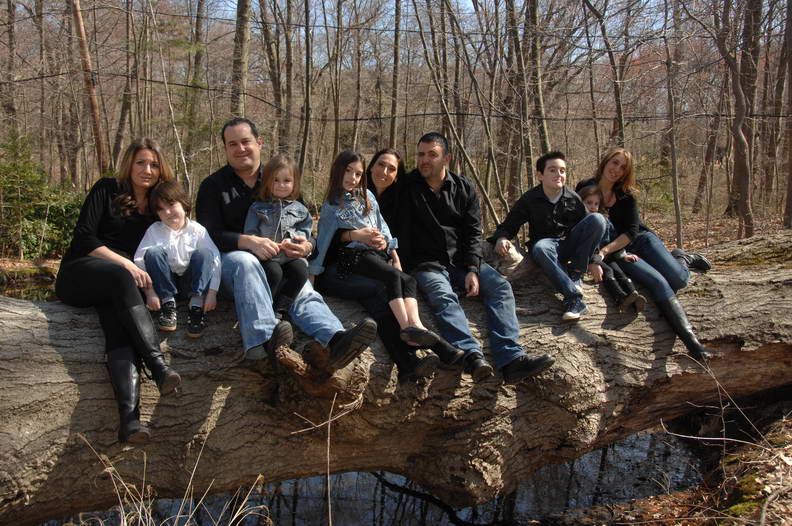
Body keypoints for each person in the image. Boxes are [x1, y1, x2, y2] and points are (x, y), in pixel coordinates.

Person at [195, 117, 376, 370]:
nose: (240, 149)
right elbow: (207, 235)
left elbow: (304, 225)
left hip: (279, 261)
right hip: (230, 265)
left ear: (259, 142)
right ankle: (265, 341)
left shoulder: (281, 175)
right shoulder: (213, 186)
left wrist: (307, 246)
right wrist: (248, 242)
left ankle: (336, 339)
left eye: (246, 141)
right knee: (246, 262)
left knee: (302, 287)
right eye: (232, 144)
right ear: (225, 148)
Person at [396, 132, 556, 384]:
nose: (424, 160)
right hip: (426, 263)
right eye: (421, 154)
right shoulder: (406, 187)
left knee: (501, 287)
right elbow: (398, 230)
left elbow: (473, 233)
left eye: (432, 154)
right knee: (443, 297)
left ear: (447, 158)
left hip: (461, 260)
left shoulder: (463, 188)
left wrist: (472, 268)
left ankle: (511, 360)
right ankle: (472, 357)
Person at [55, 139, 182, 444]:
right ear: (129, 164)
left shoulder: (159, 206)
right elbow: (84, 237)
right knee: (119, 275)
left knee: (119, 329)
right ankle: (158, 366)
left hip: (121, 286)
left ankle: (130, 422)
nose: (147, 170)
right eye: (141, 162)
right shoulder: (107, 189)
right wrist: (124, 263)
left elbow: (175, 243)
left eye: (154, 164)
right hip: (80, 273)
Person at [576, 147, 713, 361]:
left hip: (641, 240)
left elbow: (631, 232)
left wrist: (603, 251)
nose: (616, 169)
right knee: (659, 283)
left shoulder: (626, 195)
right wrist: (597, 255)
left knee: (679, 280)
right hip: (621, 253)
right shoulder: (585, 187)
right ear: (606, 162)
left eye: (623, 167)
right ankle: (694, 345)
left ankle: (682, 258)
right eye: (614, 163)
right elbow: (578, 222)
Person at [311, 150, 446, 348]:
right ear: (338, 170)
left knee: (408, 280)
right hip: (353, 256)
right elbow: (323, 243)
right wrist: (312, 280)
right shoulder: (331, 205)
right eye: (348, 171)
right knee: (390, 279)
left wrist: (391, 250)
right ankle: (406, 328)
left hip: (376, 255)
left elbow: (383, 227)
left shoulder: (368, 196)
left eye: (358, 174)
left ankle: (416, 326)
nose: (353, 177)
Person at [490, 151, 607, 321]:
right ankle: (574, 299)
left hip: (569, 246)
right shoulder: (530, 199)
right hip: (544, 251)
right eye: (552, 170)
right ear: (540, 175)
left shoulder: (573, 198)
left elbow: (588, 232)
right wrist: (501, 238)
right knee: (541, 247)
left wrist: (594, 260)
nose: (559, 174)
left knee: (598, 219)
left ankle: (575, 274)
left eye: (562, 171)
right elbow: (509, 225)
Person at [133, 180, 221, 338]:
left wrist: (212, 293)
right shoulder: (154, 231)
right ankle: (168, 306)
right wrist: (150, 292)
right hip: (164, 285)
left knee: (205, 253)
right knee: (153, 253)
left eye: (171, 205)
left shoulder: (197, 230)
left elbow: (215, 260)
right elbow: (139, 261)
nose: (167, 212)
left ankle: (196, 307)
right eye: (161, 209)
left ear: (184, 204)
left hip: (191, 285)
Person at [243, 154, 311, 319]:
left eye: (287, 181)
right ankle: (265, 308)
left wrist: (295, 240)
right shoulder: (257, 207)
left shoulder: (301, 209)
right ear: (267, 181)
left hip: (289, 256)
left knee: (301, 271)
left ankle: (281, 308)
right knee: (274, 273)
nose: (281, 185)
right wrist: (259, 245)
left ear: (294, 183)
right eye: (276, 180)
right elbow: (250, 232)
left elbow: (305, 232)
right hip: (266, 257)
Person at [577, 184, 646, 313]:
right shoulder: (579, 223)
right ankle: (619, 297)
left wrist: (623, 254)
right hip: (592, 258)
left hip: (606, 256)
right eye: (589, 203)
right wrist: (591, 261)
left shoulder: (604, 221)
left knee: (619, 271)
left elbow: (612, 240)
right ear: (580, 203)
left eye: (596, 204)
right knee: (608, 270)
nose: (593, 207)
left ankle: (634, 294)